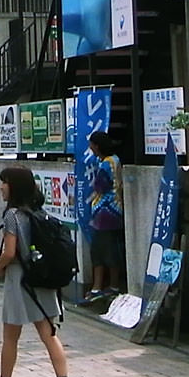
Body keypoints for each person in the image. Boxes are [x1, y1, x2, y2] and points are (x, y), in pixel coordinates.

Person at [0, 166, 78, 377]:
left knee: (10, 336)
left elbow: (10, 252)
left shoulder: (12, 215)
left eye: (3, 182)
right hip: (42, 279)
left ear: (13, 186)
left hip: (19, 282)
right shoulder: (37, 212)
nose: (0, 187)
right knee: (49, 334)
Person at [83, 130, 126, 308]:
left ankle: (99, 288)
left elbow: (100, 186)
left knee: (101, 251)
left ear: (97, 146)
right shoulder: (115, 160)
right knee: (111, 249)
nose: (90, 148)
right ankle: (109, 286)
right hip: (115, 210)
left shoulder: (105, 165)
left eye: (91, 144)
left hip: (104, 213)